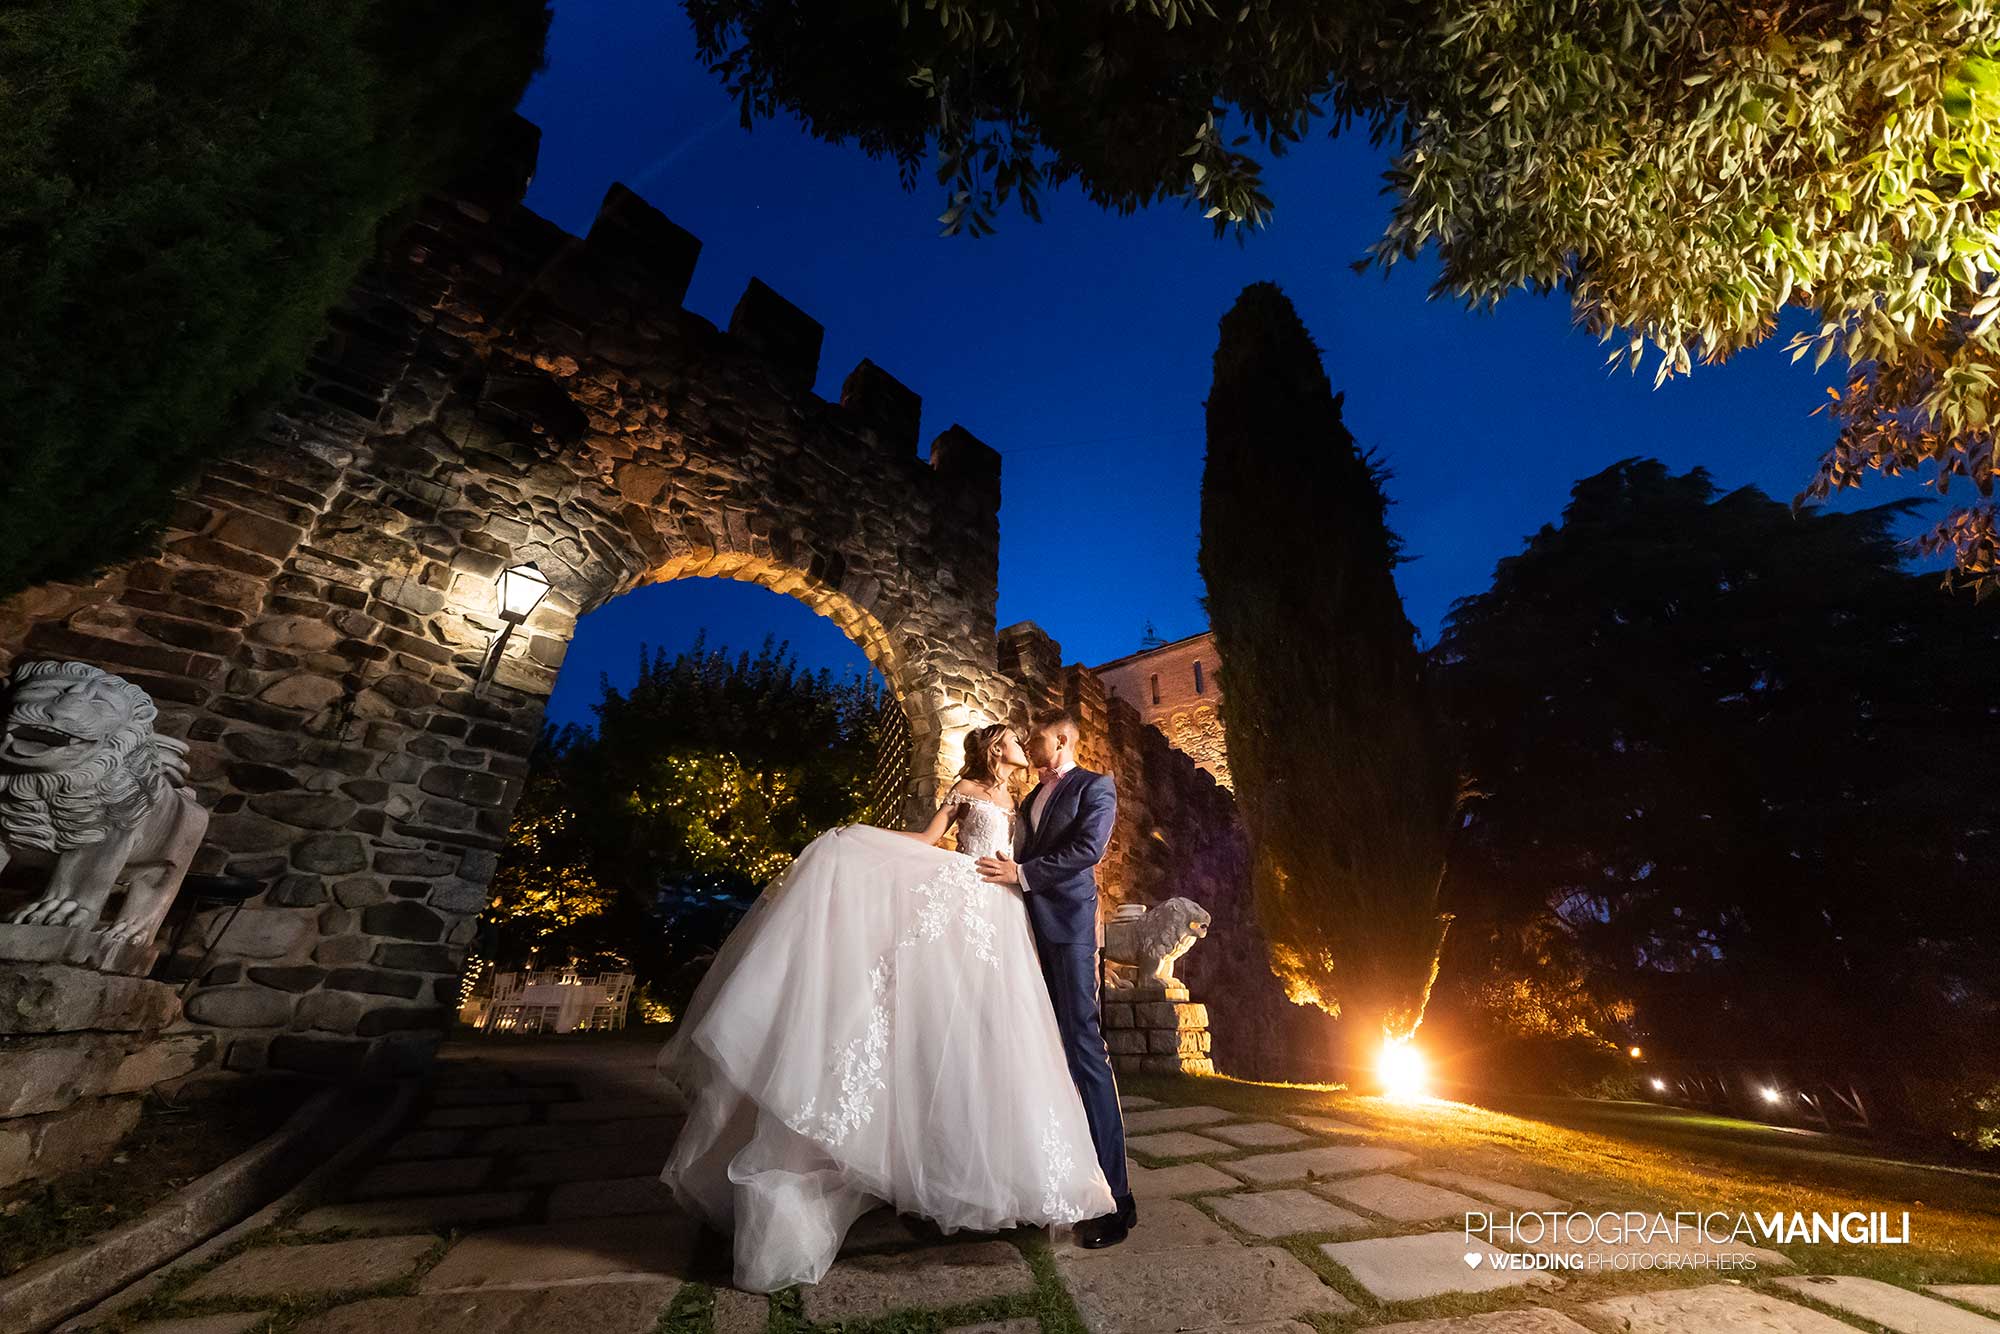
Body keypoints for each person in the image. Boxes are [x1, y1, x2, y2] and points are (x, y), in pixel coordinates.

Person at [657, 721, 1115, 1293]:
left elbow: (1053, 853)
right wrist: (859, 838)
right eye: (1016, 740)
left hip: (1006, 919)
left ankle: (990, 1172)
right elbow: (927, 842)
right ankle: (930, 1173)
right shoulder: (966, 790)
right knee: (937, 1028)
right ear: (996, 746)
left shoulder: (1022, 802)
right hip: (968, 903)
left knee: (1000, 1041)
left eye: (1032, 739)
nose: (1025, 746)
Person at [975, 707, 1135, 1249]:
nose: (1028, 743)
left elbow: (1087, 850)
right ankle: (1053, 1183)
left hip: (1067, 932)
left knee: (1084, 1049)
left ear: (1061, 739)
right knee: (1038, 1055)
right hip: (1023, 934)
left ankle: (1117, 1199)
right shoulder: (1027, 798)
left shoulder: (1096, 787)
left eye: (1036, 738)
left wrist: (1022, 874)